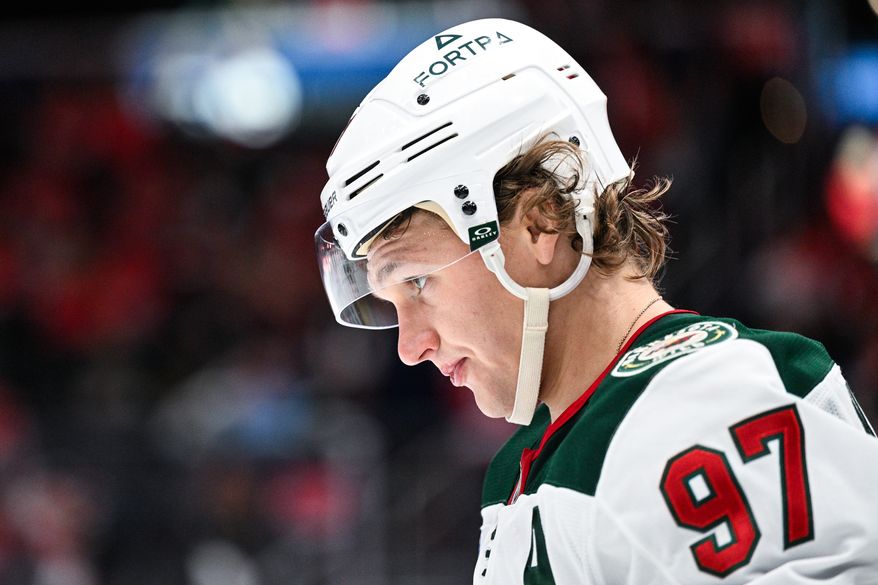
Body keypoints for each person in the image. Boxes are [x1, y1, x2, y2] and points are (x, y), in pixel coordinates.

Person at [313, 17, 878, 584]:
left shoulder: (708, 402)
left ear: (541, 222)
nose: (410, 346)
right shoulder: (534, 459)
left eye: (416, 281)